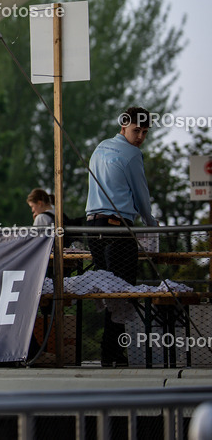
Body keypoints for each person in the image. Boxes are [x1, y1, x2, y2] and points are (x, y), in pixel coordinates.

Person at [86, 106, 158, 367]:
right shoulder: (132, 154)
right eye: (136, 130)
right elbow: (141, 196)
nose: (139, 136)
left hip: (92, 228)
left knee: (107, 292)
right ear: (124, 126)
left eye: (144, 132)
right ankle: (112, 353)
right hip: (117, 227)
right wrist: (151, 225)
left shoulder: (100, 147)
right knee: (121, 292)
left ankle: (111, 352)